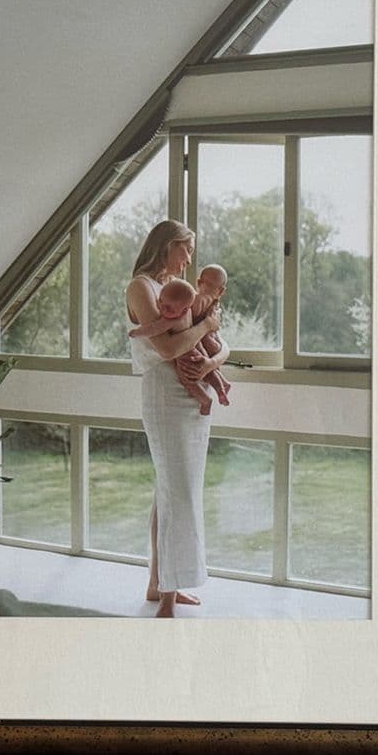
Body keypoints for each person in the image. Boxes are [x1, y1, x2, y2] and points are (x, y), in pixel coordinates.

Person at [125, 222, 230, 617]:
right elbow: (168, 347)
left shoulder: (180, 289)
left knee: (170, 492)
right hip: (166, 396)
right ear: (167, 247)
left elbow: (220, 346)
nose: (189, 259)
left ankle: (158, 584)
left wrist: (211, 361)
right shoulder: (142, 287)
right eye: (185, 250)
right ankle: (167, 596)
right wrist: (206, 326)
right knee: (178, 493)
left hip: (191, 396)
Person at [127, 265, 231, 415]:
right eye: (161, 303)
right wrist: (207, 326)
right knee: (207, 369)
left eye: (169, 307)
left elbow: (155, 328)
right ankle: (222, 386)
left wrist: (138, 332)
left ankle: (205, 400)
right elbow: (168, 345)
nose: (163, 309)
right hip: (194, 351)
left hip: (187, 353)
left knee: (187, 379)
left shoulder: (182, 305)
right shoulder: (181, 298)